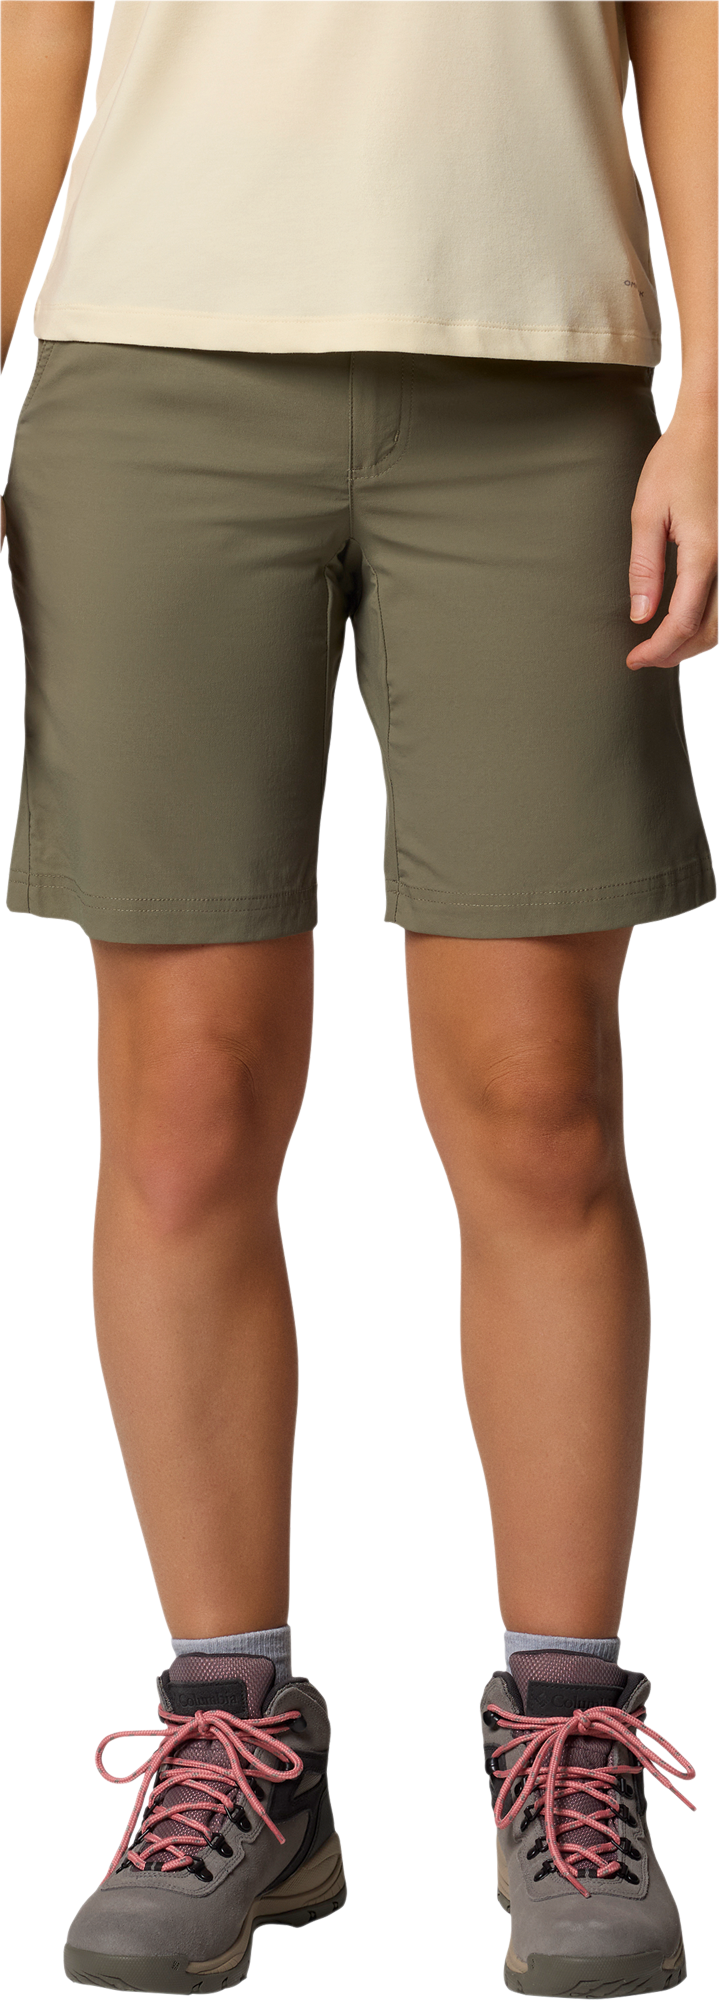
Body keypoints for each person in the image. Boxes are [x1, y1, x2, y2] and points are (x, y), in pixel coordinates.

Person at [1, 2, 716, 1992]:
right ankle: (235, 1746)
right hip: (153, 381)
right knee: (183, 1105)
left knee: (540, 1101)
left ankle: (565, 1738)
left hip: (537, 383)